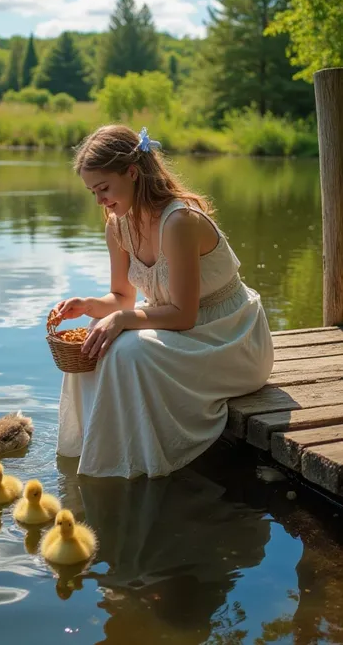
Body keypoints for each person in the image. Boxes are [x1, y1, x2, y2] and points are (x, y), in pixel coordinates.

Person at [55, 125, 274, 479]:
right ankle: (96, 454)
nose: (99, 200)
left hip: (230, 336)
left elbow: (184, 314)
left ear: (132, 172)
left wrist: (124, 319)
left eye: (104, 188)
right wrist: (90, 306)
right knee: (93, 339)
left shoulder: (178, 222)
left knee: (128, 350)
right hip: (182, 328)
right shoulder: (117, 225)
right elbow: (122, 296)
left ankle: (138, 463)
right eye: (92, 192)